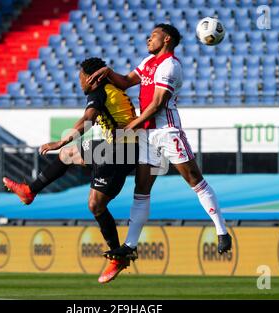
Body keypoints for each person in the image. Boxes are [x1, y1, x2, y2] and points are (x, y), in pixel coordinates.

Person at [88, 24, 232, 278]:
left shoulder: (170, 66)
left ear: (166, 39)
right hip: (147, 135)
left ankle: (222, 231)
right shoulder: (148, 62)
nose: (147, 38)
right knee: (141, 189)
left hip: (167, 131)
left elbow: (157, 104)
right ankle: (129, 247)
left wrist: (131, 125)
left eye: (152, 35)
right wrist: (107, 72)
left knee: (194, 180)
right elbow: (124, 82)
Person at [2, 57, 139, 283]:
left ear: (92, 78)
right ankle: (29, 191)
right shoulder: (110, 89)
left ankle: (118, 257)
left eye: (81, 77)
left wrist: (60, 142)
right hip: (119, 146)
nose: (80, 82)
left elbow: (87, 120)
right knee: (69, 155)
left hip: (121, 150)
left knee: (95, 204)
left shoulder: (99, 92)